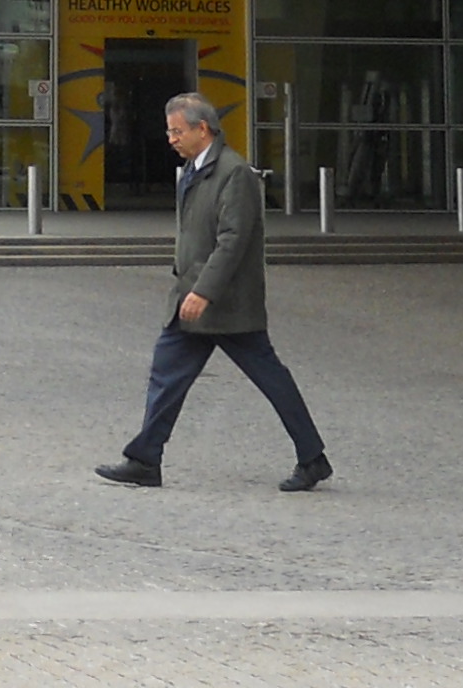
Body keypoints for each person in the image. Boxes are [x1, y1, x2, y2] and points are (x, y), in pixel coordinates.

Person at [95, 91, 331, 494]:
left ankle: (313, 458)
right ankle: (145, 459)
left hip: (225, 304)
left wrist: (204, 291)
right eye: (169, 131)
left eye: (176, 131)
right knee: (166, 375)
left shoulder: (234, 173)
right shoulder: (194, 168)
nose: (170, 139)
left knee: (272, 379)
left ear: (202, 129)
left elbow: (234, 239)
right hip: (191, 299)